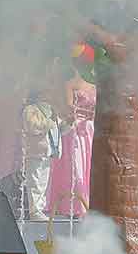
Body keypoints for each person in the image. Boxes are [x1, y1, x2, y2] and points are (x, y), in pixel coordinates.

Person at [48, 79, 96, 218]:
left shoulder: (94, 86)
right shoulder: (70, 83)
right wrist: (84, 112)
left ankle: (88, 204)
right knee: (76, 167)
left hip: (89, 128)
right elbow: (69, 107)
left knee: (89, 167)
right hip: (75, 127)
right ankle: (75, 206)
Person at [18, 89, 58, 221]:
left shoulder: (51, 110)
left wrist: (68, 123)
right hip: (35, 151)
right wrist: (50, 123)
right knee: (35, 182)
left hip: (48, 151)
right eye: (46, 93)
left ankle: (40, 209)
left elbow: (57, 130)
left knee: (43, 183)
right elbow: (32, 127)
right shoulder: (30, 110)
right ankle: (34, 211)